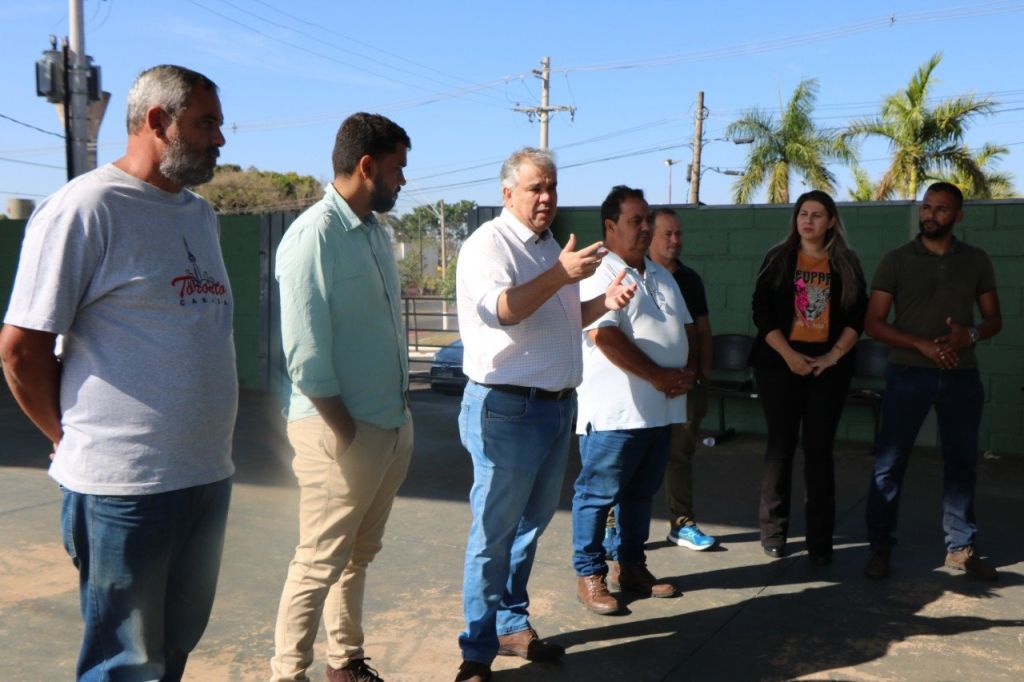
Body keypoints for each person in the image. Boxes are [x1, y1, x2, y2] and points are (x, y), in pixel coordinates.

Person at [0, 64, 235, 680]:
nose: (219, 138)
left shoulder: (199, 214)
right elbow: (21, 349)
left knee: (175, 647)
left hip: (206, 474)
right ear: (157, 122)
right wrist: (66, 436)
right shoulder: (85, 208)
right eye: (205, 123)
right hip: (124, 489)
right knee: (124, 665)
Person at [454, 148, 636, 682]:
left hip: (555, 409)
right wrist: (559, 275)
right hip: (508, 409)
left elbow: (562, 320)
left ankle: (512, 626)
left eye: (552, 187)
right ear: (507, 192)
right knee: (494, 535)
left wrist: (605, 302)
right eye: (536, 187)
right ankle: (476, 653)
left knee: (528, 530)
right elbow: (504, 311)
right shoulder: (489, 244)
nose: (546, 197)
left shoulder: (551, 246)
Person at [271, 113, 412, 682]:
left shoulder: (375, 232)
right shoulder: (313, 236)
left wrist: (392, 424)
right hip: (339, 431)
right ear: (367, 166)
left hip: (388, 424)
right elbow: (305, 355)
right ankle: (287, 674)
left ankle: (344, 661)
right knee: (317, 563)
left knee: (357, 557)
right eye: (398, 168)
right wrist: (345, 431)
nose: (403, 180)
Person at [863, 182, 1002, 582]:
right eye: (926, 207)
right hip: (908, 373)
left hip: (961, 376)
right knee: (889, 464)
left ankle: (960, 547)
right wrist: (920, 344)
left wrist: (969, 335)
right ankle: (879, 549)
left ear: (958, 216)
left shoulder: (976, 260)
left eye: (941, 209)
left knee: (961, 463)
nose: (930, 215)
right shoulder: (896, 260)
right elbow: (874, 323)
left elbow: (994, 319)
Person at [572, 187, 693, 616]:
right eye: (635, 220)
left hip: (660, 411)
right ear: (610, 226)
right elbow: (603, 335)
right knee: (597, 495)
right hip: (615, 414)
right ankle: (590, 574)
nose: (645, 228)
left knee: (641, 495)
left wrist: (687, 371)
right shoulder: (599, 270)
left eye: (647, 220)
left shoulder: (660, 273)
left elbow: (684, 328)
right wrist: (659, 375)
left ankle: (632, 567)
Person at [749, 190, 867, 564]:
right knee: (780, 448)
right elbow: (761, 311)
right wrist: (789, 356)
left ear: (831, 221)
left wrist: (832, 356)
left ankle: (819, 540)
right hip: (779, 366)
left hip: (828, 370)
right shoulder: (778, 258)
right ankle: (773, 532)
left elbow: (857, 317)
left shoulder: (846, 262)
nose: (808, 220)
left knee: (819, 452)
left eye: (817, 215)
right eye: (803, 213)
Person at [647, 208, 717, 551]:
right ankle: (614, 530)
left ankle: (682, 524)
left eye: (678, 234)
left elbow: (702, 330)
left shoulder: (690, 279)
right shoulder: (632, 275)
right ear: (649, 236)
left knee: (679, 455)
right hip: (641, 387)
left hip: (686, 387)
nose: (675, 240)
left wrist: (702, 376)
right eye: (667, 234)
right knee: (628, 458)